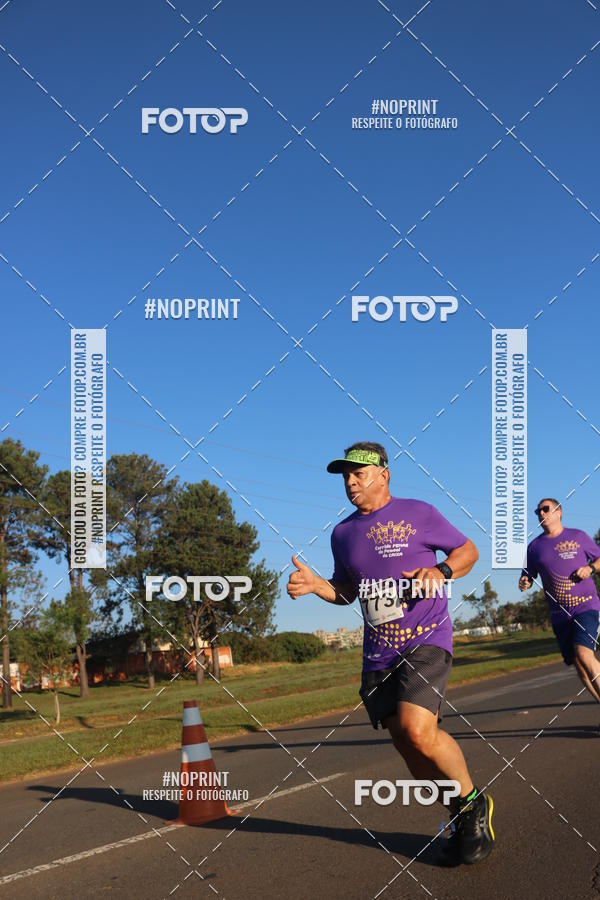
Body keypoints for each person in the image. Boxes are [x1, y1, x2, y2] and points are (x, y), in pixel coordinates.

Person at [287, 441, 495, 865]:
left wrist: (439, 571)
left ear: (383, 474)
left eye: (358, 473)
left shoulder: (419, 512)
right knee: (407, 745)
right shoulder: (342, 534)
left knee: (417, 729)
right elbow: (346, 592)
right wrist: (316, 587)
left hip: (426, 637)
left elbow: (468, 551)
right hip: (379, 653)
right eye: (345, 476)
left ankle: (474, 803)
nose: (350, 482)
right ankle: (458, 809)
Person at [519, 498, 600, 700]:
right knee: (580, 667)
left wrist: (590, 568)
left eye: (545, 509)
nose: (541, 514)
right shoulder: (534, 547)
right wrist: (524, 582)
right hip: (559, 616)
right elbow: (528, 575)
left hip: (586, 608)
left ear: (558, 512)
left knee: (584, 654)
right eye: (537, 511)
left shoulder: (578, 536)